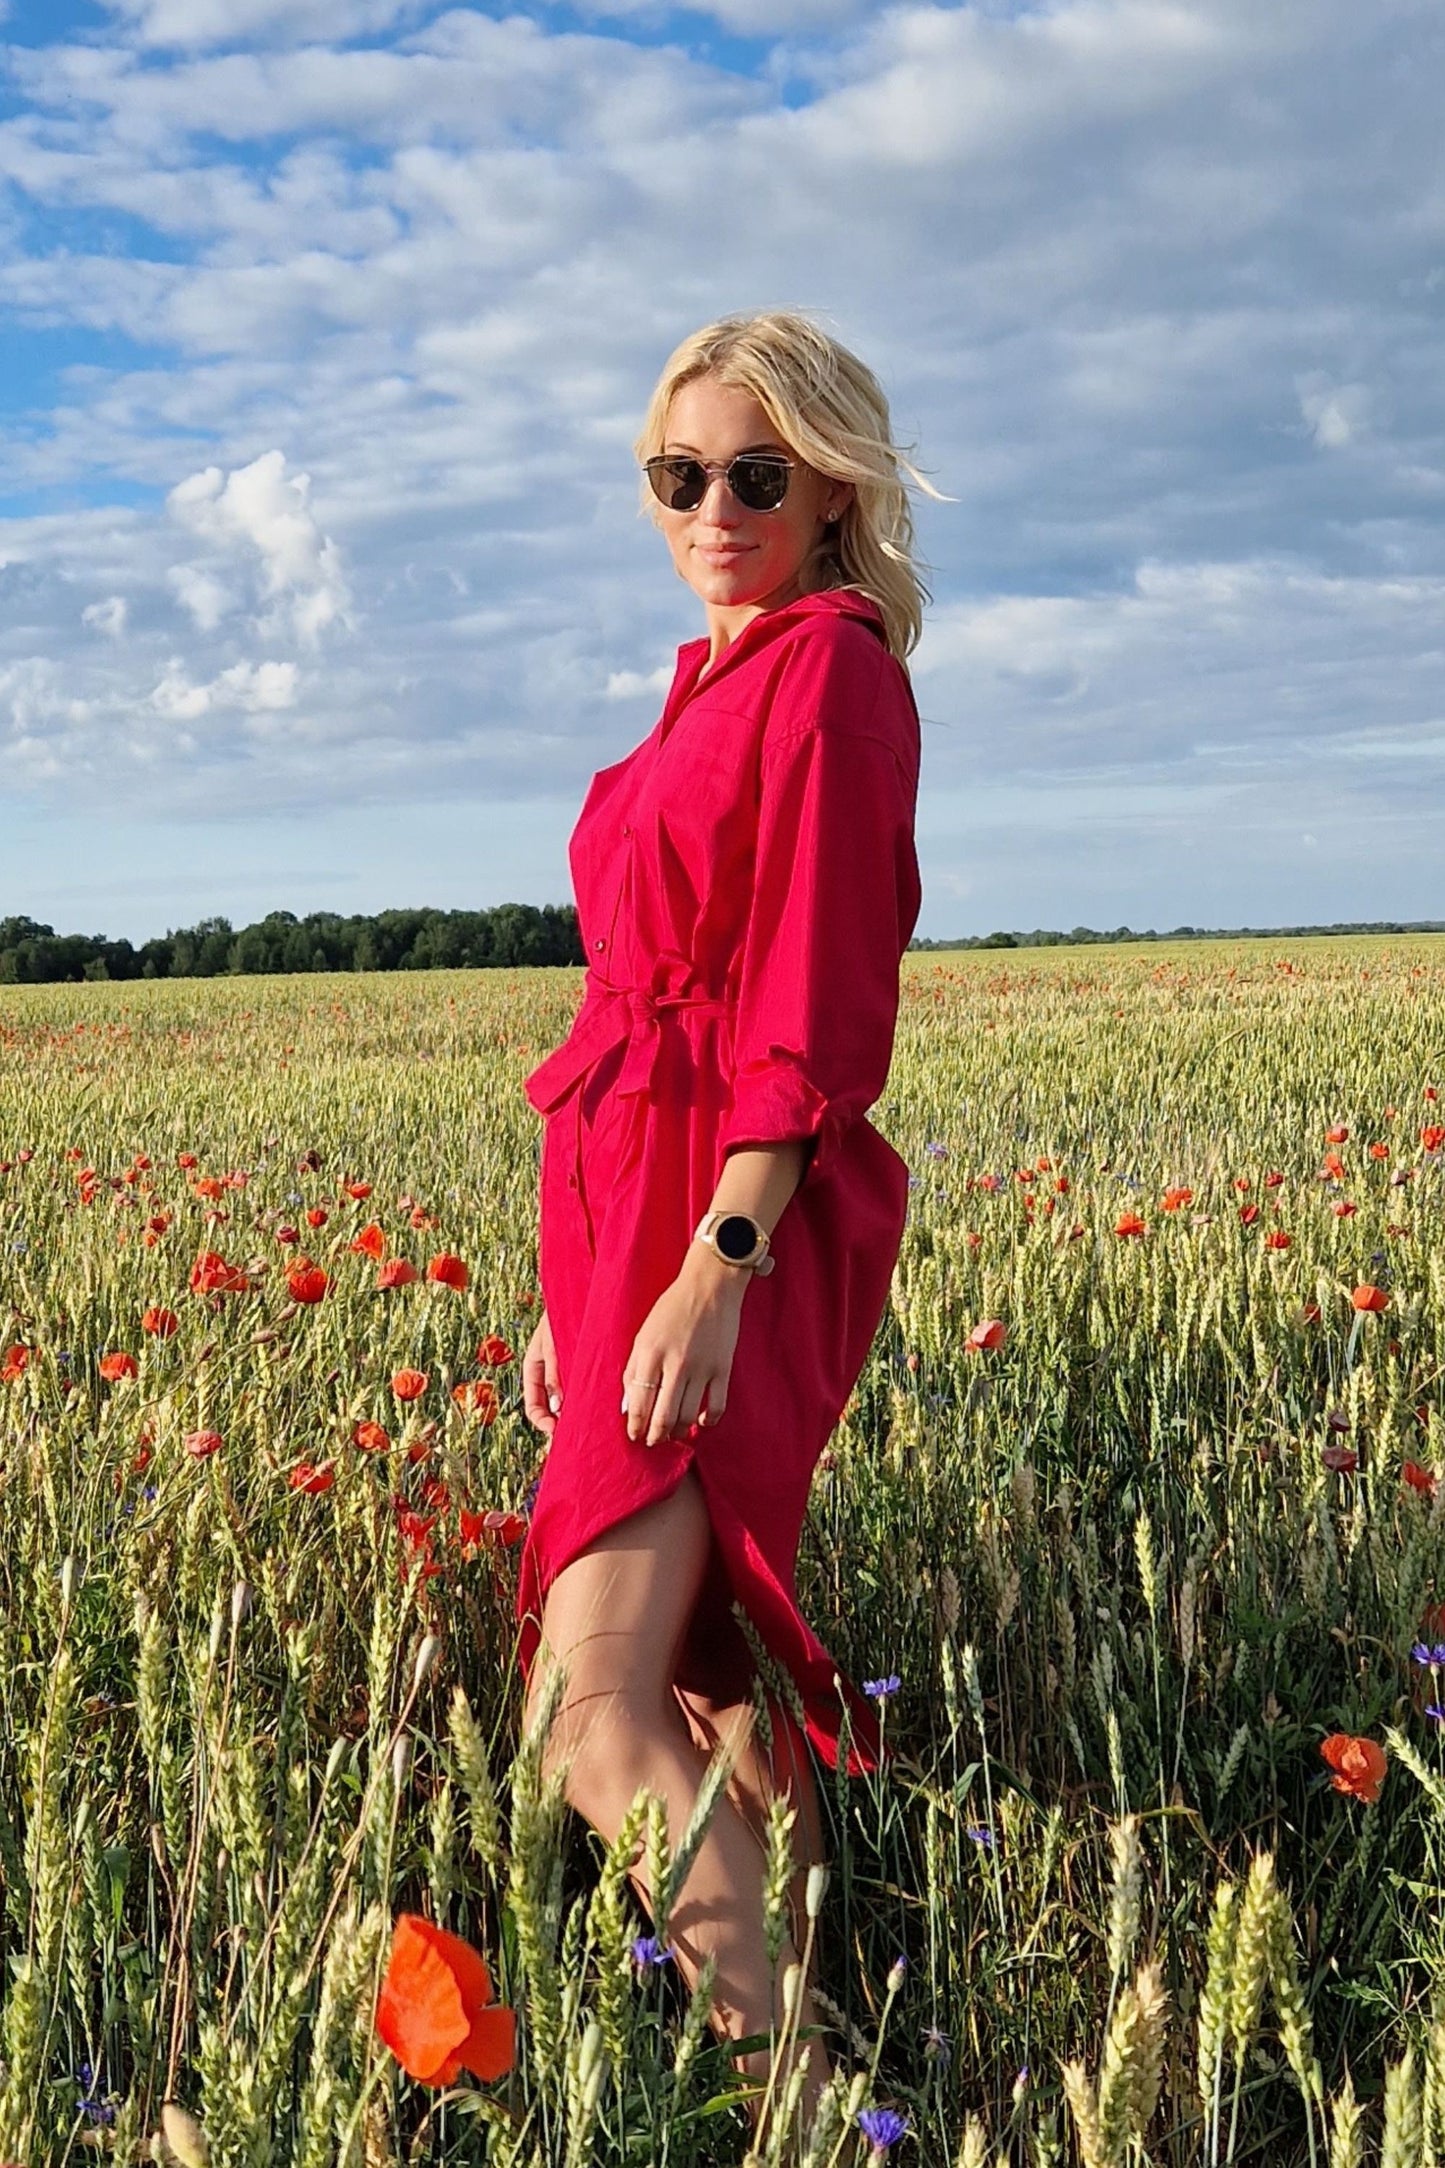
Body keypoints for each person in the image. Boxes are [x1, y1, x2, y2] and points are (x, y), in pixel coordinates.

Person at [516, 309, 932, 2144]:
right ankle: (847, 2033)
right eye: (677, 473)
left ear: (833, 488)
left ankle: (799, 2114)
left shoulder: (828, 673)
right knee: (697, 1683)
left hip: (719, 1209)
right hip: (632, 1210)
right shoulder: (711, 677)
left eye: (756, 474)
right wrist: (577, 1286)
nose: (712, 506)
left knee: (588, 1709)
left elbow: (815, 1006)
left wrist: (718, 1264)